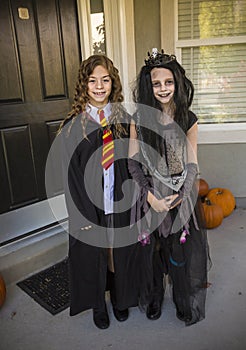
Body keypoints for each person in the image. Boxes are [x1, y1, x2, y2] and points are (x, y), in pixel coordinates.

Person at [128, 48, 211, 326]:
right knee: (152, 251)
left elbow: (192, 163)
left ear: (177, 82)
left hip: (179, 194)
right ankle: (153, 295)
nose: (163, 88)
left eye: (168, 82)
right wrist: (150, 197)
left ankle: (181, 296)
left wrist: (182, 195)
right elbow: (133, 164)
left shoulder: (188, 119)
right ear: (148, 86)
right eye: (156, 83)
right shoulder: (138, 120)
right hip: (149, 195)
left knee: (178, 250)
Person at [59, 54, 141, 329]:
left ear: (112, 83)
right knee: (92, 253)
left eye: (105, 80)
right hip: (88, 203)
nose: (99, 86)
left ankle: (119, 296)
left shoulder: (123, 120)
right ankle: (98, 304)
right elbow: (69, 175)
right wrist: (80, 214)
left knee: (116, 249)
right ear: (84, 85)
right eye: (92, 80)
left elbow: (134, 162)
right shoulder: (74, 125)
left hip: (117, 197)